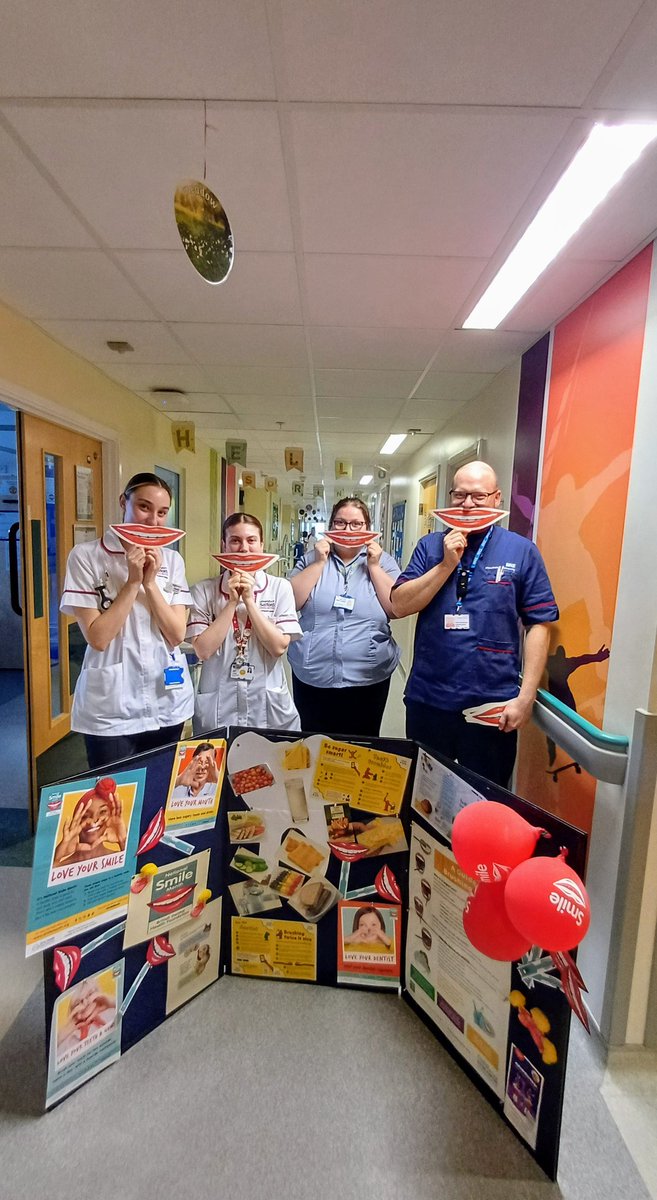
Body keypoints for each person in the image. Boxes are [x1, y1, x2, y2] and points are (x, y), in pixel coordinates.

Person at [391, 461, 558, 787]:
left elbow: (540, 624)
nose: (467, 505)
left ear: (496, 499)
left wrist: (525, 699)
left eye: (478, 496)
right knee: (423, 794)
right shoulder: (430, 547)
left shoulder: (522, 551)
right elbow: (399, 605)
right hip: (429, 700)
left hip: (492, 706)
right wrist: (445, 565)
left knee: (486, 799)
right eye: (460, 495)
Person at [61, 473, 194, 771]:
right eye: (144, 507)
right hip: (111, 708)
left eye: (161, 513)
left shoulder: (172, 562)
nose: (152, 521)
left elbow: (175, 634)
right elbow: (98, 637)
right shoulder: (85, 557)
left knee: (161, 791)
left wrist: (150, 583)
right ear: (124, 501)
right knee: (115, 799)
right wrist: (132, 583)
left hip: (166, 698)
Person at [288, 497, 401, 737]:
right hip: (313, 674)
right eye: (340, 523)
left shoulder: (385, 562)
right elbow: (291, 603)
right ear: (330, 526)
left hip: (368, 676)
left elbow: (395, 608)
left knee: (362, 746)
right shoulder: (310, 559)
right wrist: (319, 562)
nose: (348, 530)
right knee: (313, 743)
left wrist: (374, 567)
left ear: (368, 528)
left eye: (356, 524)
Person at [187, 513, 302, 733]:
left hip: (267, 705)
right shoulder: (203, 590)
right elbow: (202, 650)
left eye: (251, 540)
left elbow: (278, 647)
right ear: (224, 545)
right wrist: (231, 603)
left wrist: (249, 600)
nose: (244, 548)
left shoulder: (280, 588)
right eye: (235, 541)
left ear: (261, 544)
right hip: (219, 704)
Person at [53, 785, 126, 866]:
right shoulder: (59, 865)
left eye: (102, 812)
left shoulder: (121, 857)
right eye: (85, 816)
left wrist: (123, 841)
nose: (94, 821)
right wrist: (57, 857)